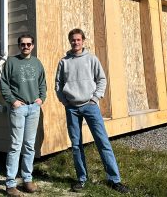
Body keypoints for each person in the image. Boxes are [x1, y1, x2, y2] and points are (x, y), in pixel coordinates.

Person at [55, 28, 129, 193]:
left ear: (83, 41)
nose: (75, 42)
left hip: (90, 106)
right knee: (76, 145)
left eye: (78, 40)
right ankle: (81, 179)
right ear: (70, 41)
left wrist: (95, 98)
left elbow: (101, 79)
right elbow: (58, 84)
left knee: (102, 142)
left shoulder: (91, 59)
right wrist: (64, 100)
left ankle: (114, 180)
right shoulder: (64, 61)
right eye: (73, 40)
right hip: (72, 108)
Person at [0, 34, 46, 197]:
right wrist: (12, 101)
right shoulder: (11, 62)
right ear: (19, 46)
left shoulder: (37, 62)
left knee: (29, 145)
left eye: (28, 44)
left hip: (33, 108)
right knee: (15, 146)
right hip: (18, 109)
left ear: (32, 46)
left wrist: (41, 99)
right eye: (22, 44)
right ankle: (10, 184)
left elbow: (42, 82)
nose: (25, 47)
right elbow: (3, 83)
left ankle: (27, 179)